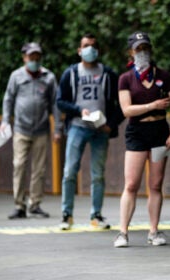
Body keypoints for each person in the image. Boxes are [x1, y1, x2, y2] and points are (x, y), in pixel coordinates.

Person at [114, 31, 170, 247]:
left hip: (160, 132)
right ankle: (122, 232)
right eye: (138, 49)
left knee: (155, 184)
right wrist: (151, 106)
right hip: (136, 133)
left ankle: (154, 231)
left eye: (145, 48)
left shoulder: (164, 76)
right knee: (131, 183)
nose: (142, 52)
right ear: (130, 52)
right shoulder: (125, 79)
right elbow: (126, 110)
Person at [56, 33, 124, 230]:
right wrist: (79, 110)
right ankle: (67, 215)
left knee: (98, 174)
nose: (90, 49)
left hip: (100, 129)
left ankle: (96, 215)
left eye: (93, 46)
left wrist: (111, 124)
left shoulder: (108, 74)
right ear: (79, 50)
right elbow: (60, 102)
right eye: (85, 45)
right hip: (78, 126)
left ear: (98, 50)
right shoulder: (71, 73)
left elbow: (121, 103)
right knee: (69, 171)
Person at [0, 42, 62, 219]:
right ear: (24, 57)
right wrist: (5, 120)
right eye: (31, 56)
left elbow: (55, 104)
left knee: (39, 169)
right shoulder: (16, 76)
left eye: (37, 56)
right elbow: (8, 99)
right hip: (21, 128)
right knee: (19, 165)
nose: (34, 59)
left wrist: (57, 128)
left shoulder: (48, 77)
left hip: (41, 130)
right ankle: (19, 205)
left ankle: (35, 205)